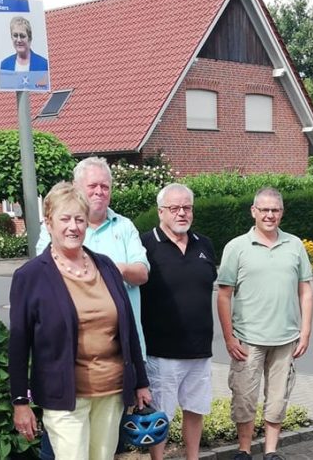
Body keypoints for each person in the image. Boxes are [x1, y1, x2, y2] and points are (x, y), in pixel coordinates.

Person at [10, 182, 151, 459]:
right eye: (64, 219)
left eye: (79, 219)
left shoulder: (106, 266)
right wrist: (19, 402)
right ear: (49, 223)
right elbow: (18, 343)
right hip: (63, 395)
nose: (73, 227)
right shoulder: (31, 276)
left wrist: (141, 381)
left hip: (111, 391)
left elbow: (128, 329)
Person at [217, 187, 313, 460]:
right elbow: (224, 296)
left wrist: (305, 332)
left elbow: (305, 291)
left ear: (281, 213)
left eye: (275, 210)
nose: (270, 215)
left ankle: (271, 452)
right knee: (244, 398)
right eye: (264, 210)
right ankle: (244, 451)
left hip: (285, 340)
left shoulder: (294, 245)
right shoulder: (236, 247)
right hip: (248, 339)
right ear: (254, 212)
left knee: (278, 399)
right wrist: (228, 337)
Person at [37, 156, 150, 358]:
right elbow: (43, 274)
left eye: (105, 187)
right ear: (76, 187)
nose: (99, 192)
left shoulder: (124, 226)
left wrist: (116, 270)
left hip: (125, 348)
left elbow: (142, 273)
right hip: (75, 349)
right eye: (93, 186)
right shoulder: (55, 228)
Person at [140, 183, 217, 460]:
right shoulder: (145, 245)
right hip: (162, 351)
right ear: (161, 212)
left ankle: (192, 457)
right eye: (174, 208)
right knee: (161, 415)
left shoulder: (204, 244)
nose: (181, 213)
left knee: (195, 410)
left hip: (200, 349)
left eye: (187, 208)